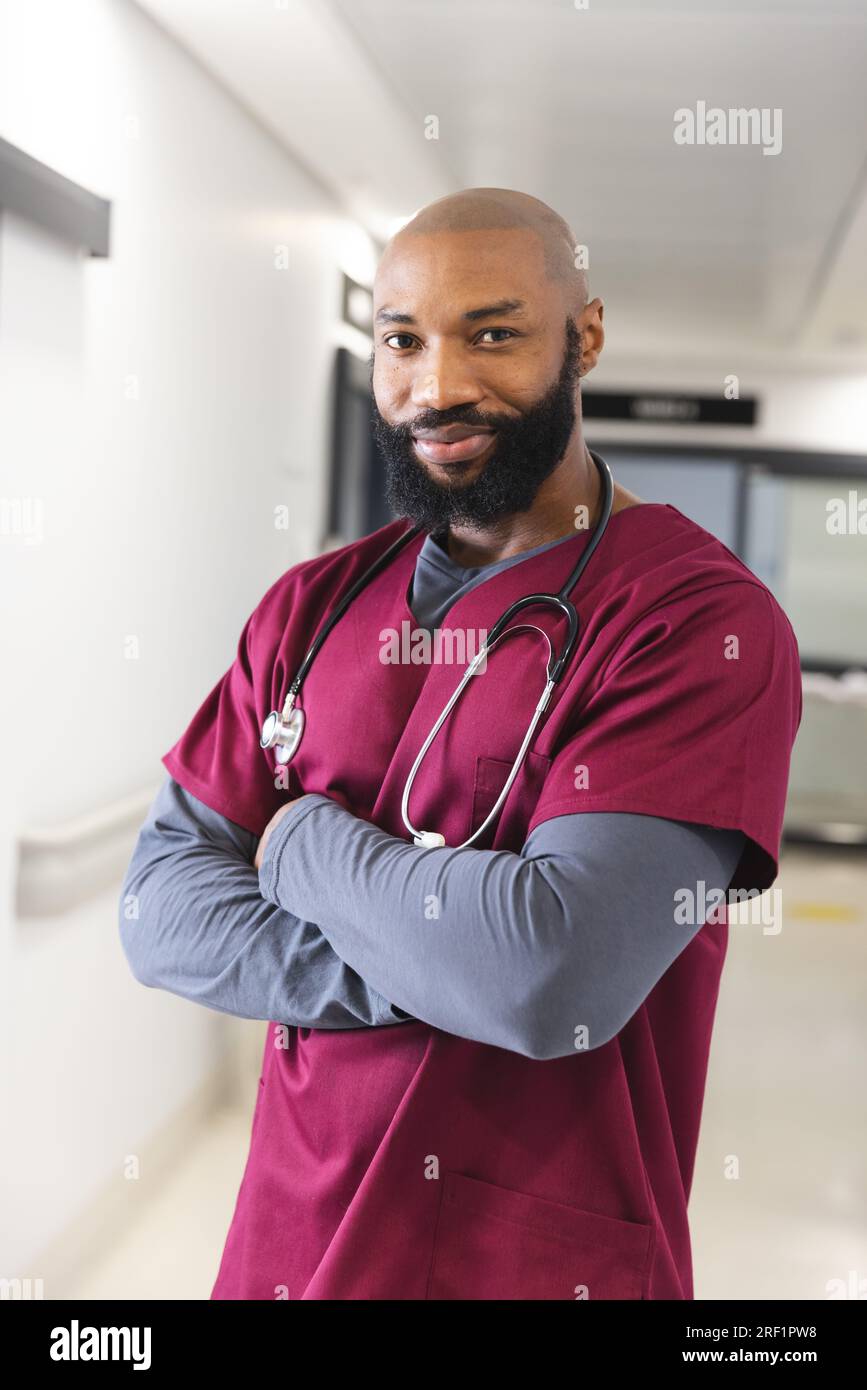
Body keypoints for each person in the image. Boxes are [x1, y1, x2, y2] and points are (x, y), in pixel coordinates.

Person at [119, 187, 802, 1301]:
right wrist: (443, 961)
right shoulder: (313, 605)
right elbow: (159, 912)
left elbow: (549, 980)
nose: (438, 387)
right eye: (402, 340)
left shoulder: (696, 622)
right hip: (292, 1246)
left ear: (583, 336)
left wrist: (297, 847)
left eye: (493, 333)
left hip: (530, 1261)